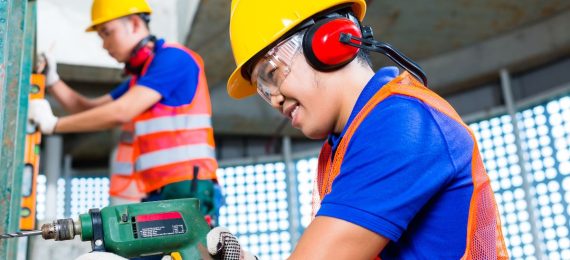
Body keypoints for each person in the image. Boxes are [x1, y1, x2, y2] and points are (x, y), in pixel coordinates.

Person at [208, 0, 510, 259]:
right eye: (263, 89)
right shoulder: (348, 143)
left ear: (329, 40)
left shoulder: (401, 124)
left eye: (272, 74)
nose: (273, 98)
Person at [28, 0, 221, 227]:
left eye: (107, 33)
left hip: (188, 188)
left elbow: (121, 112)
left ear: (135, 23)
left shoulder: (174, 59)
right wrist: (53, 81)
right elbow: (91, 109)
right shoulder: (142, 78)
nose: (104, 44)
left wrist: (54, 125)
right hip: (161, 190)